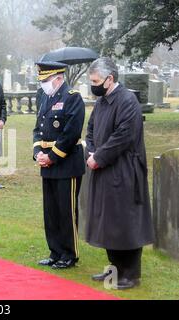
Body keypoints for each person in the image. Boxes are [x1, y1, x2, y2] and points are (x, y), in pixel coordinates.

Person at [85, 57, 154, 290]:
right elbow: (91, 129)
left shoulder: (127, 101)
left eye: (95, 81)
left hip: (124, 170)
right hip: (103, 168)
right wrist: (92, 151)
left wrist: (99, 157)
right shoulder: (102, 101)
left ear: (109, 79)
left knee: (126, 221)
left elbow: (123, 136)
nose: (92, 85)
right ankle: (114, 269)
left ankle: (131, 274)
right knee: (108, 222)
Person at [33, 61, 86, 269]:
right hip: (47, 164)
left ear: (58, 78)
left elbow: (71, 133)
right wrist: (38, 153)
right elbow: (38, 129)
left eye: (46, 80)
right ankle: (55, 252)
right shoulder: (44, 96)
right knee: (51, 211)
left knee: (66, 211)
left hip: (66, 163)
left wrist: (52, 157)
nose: (43, 84)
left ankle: (69, 254)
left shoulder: (72, 97)